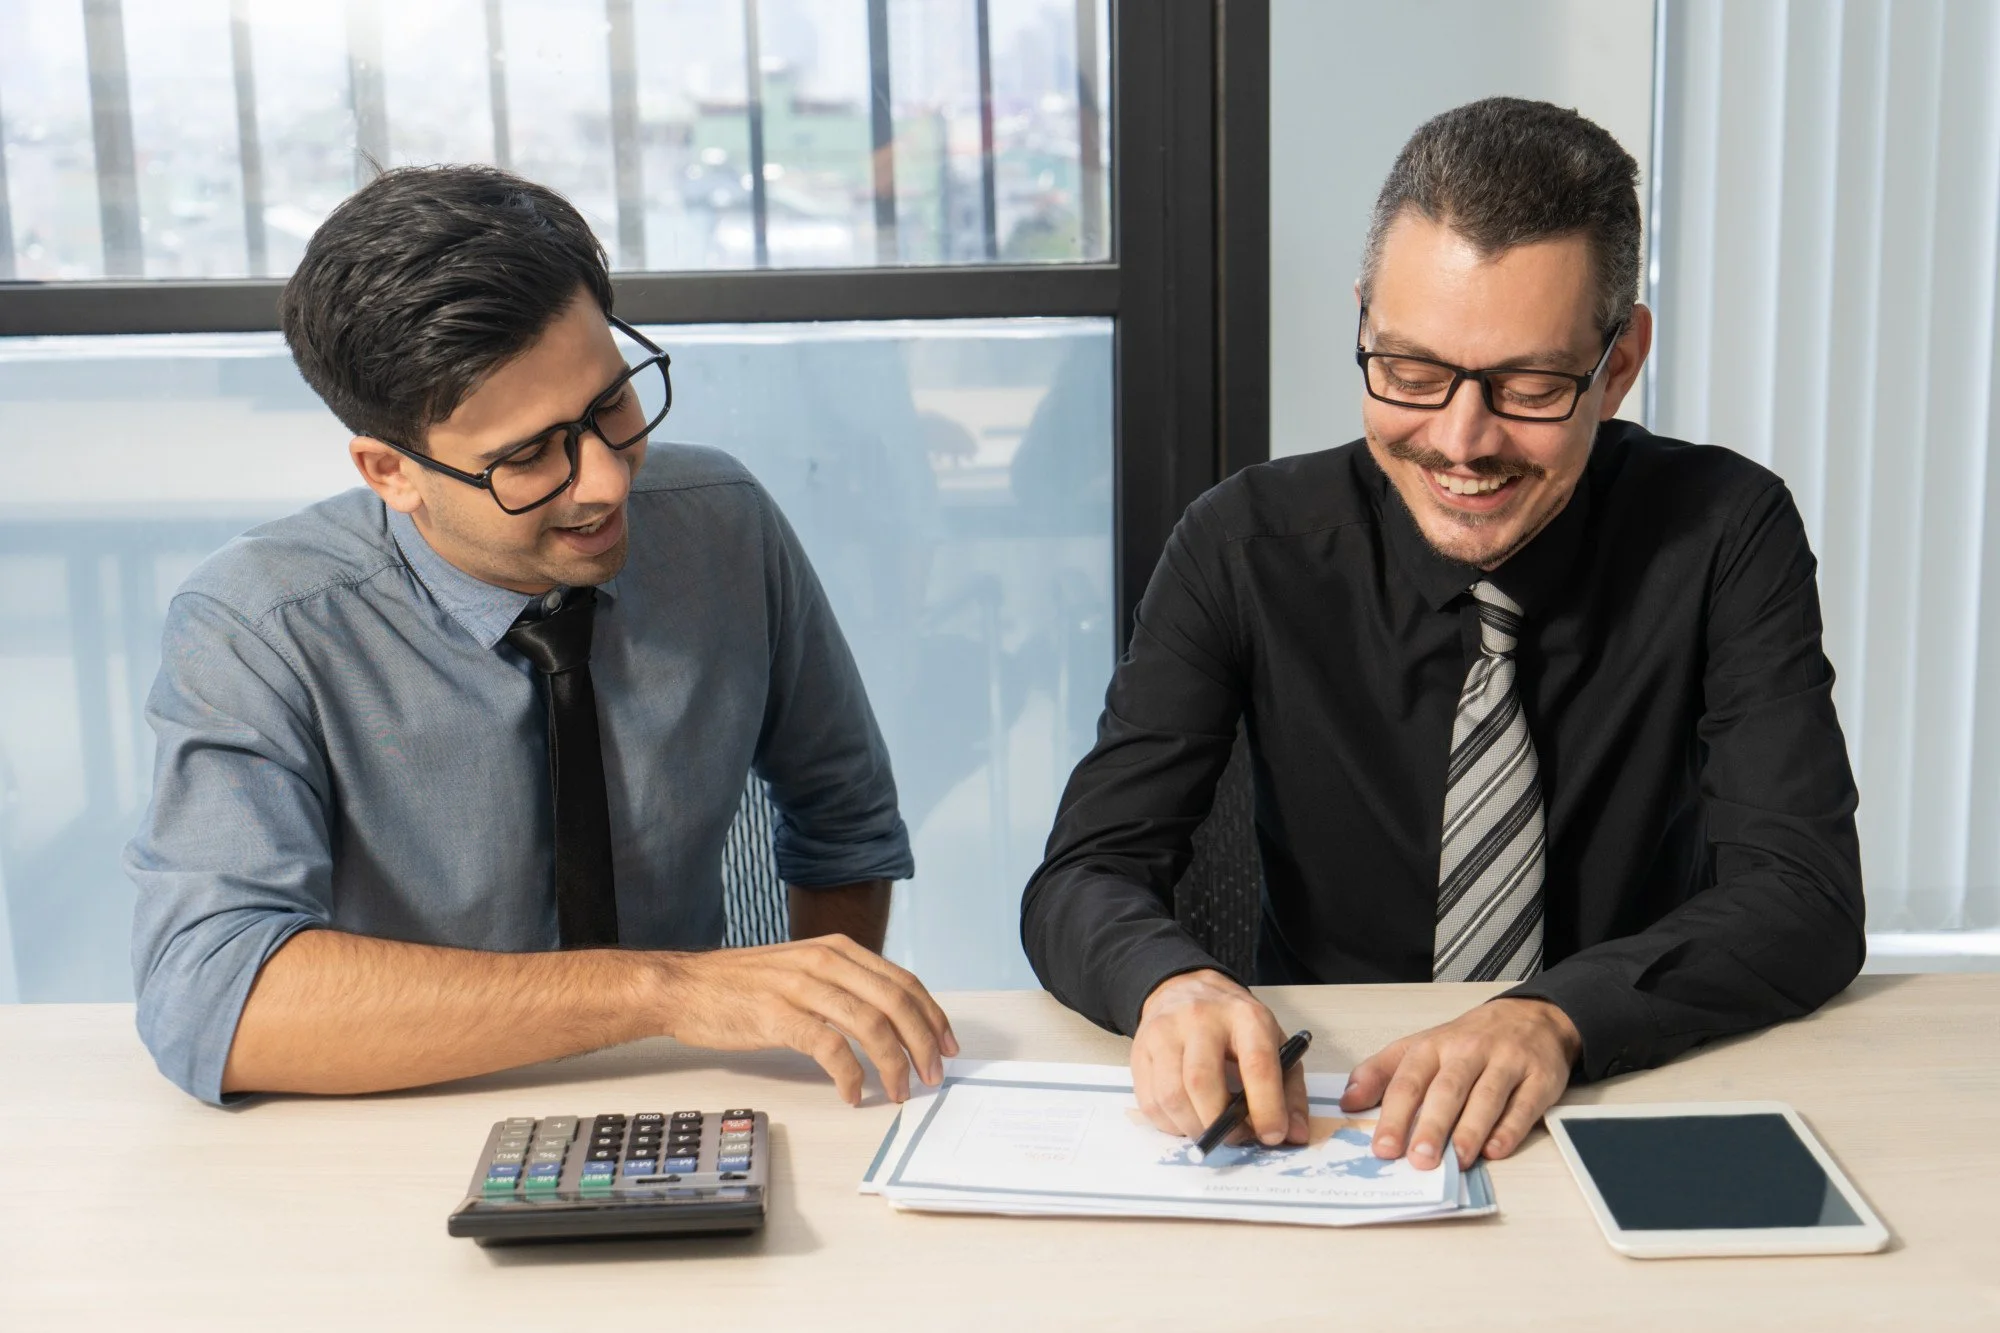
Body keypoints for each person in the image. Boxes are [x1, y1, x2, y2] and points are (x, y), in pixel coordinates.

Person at [1021, 97, 1863, 1173]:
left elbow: (1804, 896)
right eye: (1411, 371)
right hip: (1331, 1117)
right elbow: (1083, 873)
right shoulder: (1242, 543)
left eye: (1527, 386)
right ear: (1364, 318)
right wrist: (1167, 983)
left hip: (1625, 1087)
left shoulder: (1724, 532)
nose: (1460, 442)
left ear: (1619, 361)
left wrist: (1554, 1017)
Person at [127, 165, 956, 1106]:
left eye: (611, 405)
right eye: (526, 455)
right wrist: (661, 988)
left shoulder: (725, 525)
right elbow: (209, 994)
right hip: (410, 1113)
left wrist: (814, 1039)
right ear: (388, 469)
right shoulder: (259, 626)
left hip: (693, 1099)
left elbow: (845, 821)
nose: (605, 481)